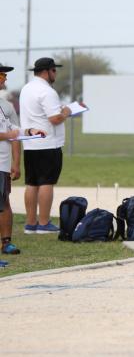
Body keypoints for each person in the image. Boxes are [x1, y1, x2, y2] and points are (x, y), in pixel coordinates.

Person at [20, 58, 71, 234]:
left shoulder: (26, 89)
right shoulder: (47, 91)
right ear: (47, 71)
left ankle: (30, 223)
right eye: (54, 70)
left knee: (32, 183)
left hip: (30, 143)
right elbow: (55, 118)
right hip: (48, 143)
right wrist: (66, 112)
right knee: (46, 182)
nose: (55, 74)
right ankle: (43, 223)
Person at [0, 63, 46, 258]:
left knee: (3, 203)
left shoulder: (3, 106)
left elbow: (12, 129)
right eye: (2, 75)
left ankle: (5, 243)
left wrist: (30, 131)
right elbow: (6, 133)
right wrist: (6, 134)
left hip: (2, 165)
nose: (5, 79)